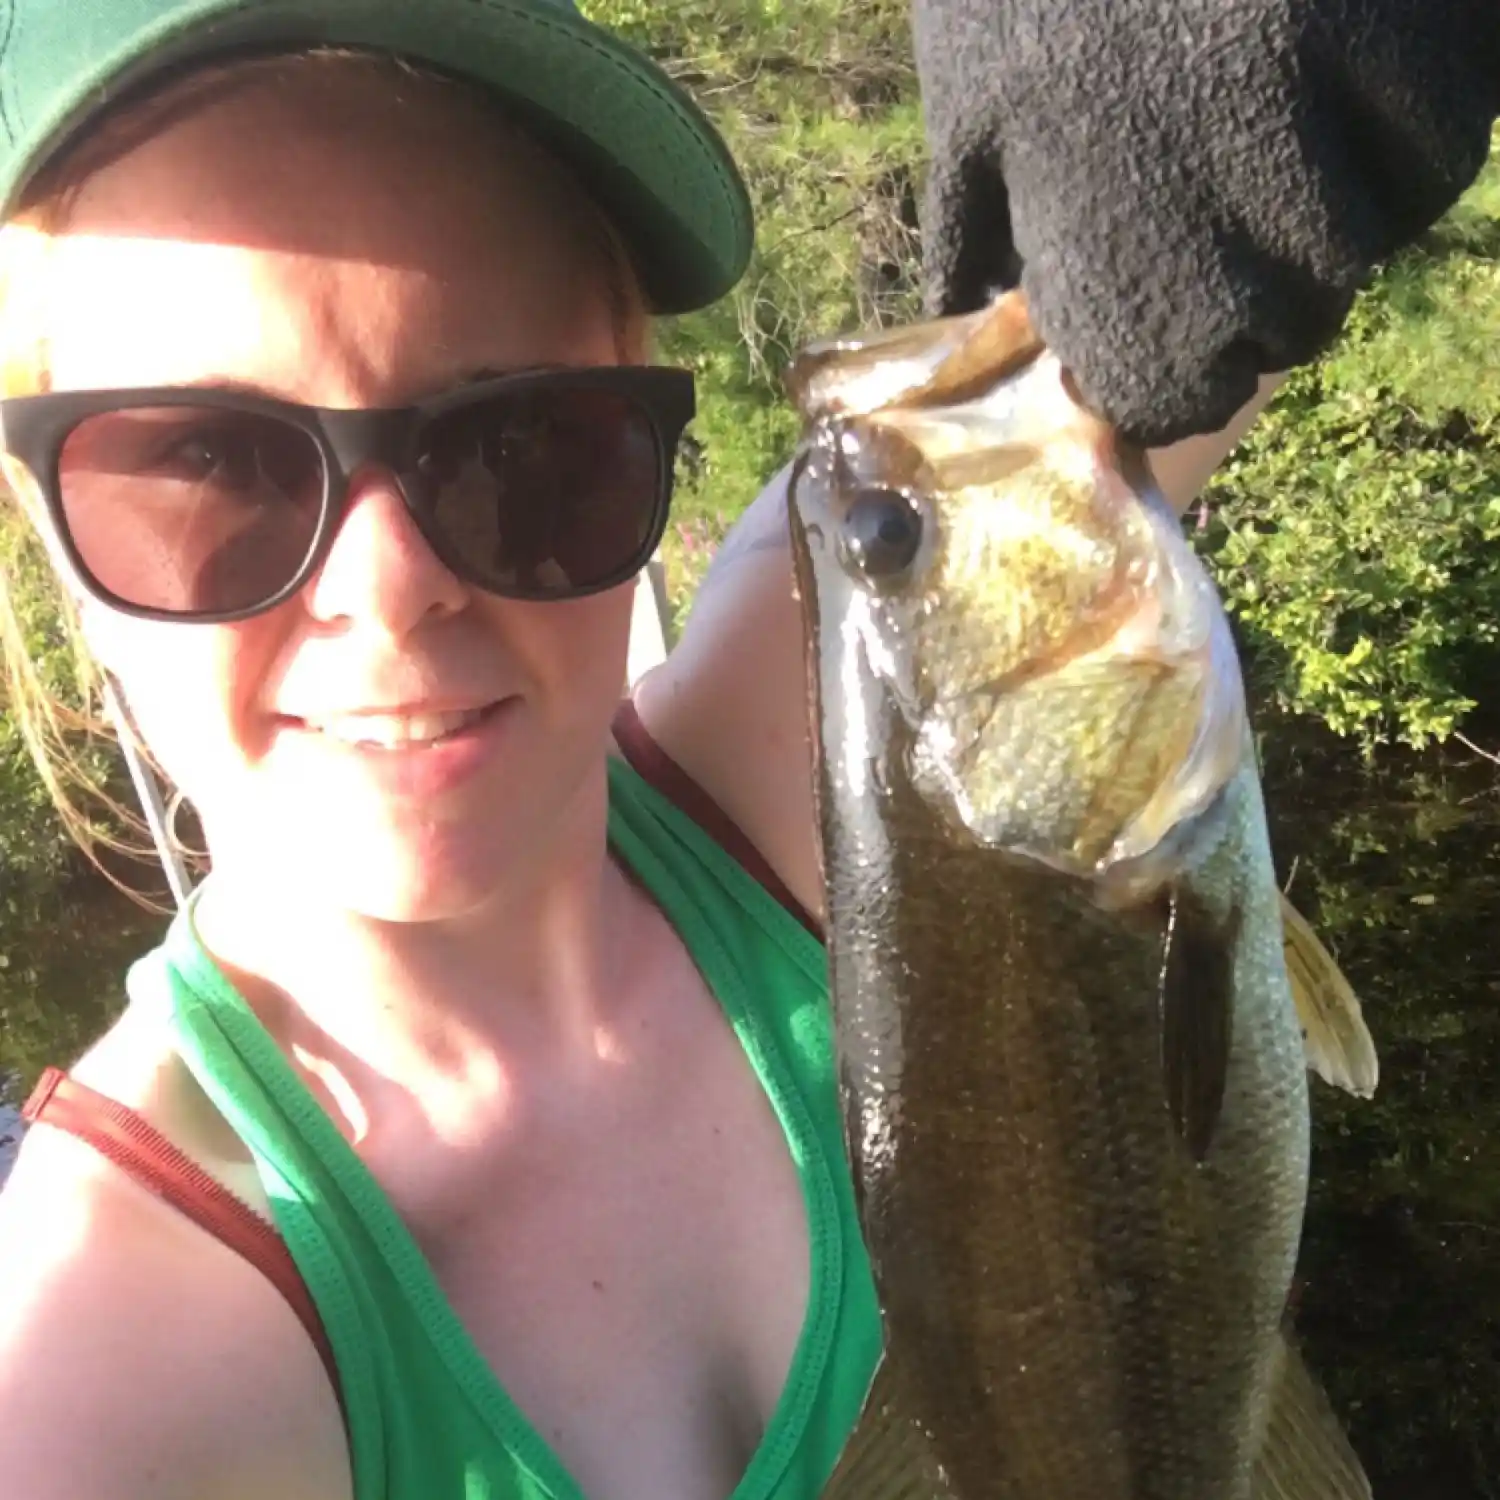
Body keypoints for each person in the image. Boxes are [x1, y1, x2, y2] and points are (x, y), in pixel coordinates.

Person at [0, 4, 1466, 1500]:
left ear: (642, 430)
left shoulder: (847, 700)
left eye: (522, 445)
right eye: (202, 464)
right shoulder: (101, 1360)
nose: (390, 589)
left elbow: (1175, 250)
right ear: (40, 526)